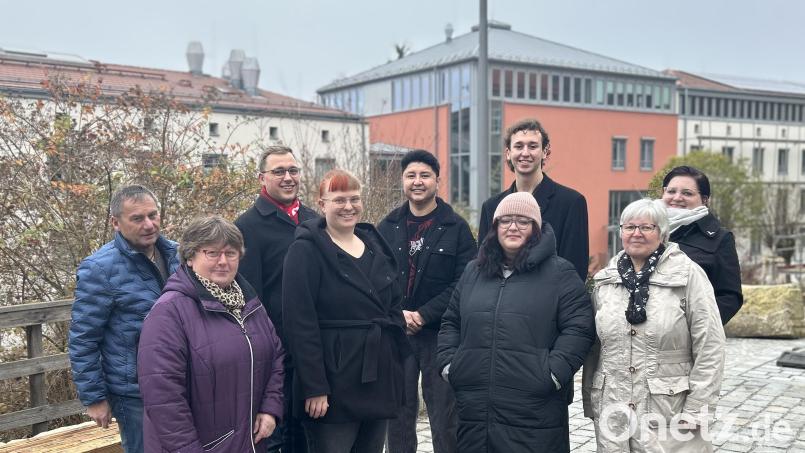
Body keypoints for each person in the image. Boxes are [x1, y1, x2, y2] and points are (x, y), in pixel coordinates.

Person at [437, 192, 594, 453]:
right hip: (475, 410)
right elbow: (451, 321)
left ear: (536, 228)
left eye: (523, 221)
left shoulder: (560, 273)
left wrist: (552, 374)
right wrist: (450, 366)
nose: (512, 227)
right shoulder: (473, 272)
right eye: (505, 220)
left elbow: (579, 328)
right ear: (494, 227)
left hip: (534, 413)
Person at [582, 199, 725, 452]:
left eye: (646, 227)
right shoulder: (606, 280)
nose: (636, 233)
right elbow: (595, 348)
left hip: (668, 408)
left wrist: (697, 410)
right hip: (613, 409)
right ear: (621, 231)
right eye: (629, 227)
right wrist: (591, 399)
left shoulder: (688, 276)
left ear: (662, 233)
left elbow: (710, 346)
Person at [283, 169, 409, 453]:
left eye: (354, 199)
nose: (349, 206)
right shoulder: (305, 251)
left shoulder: (375, 245)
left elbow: (393, 304)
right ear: (321, 203)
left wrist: (395, 364)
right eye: (339, 200)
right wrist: (314, 386)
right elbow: (299, 323)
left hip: (377, 376)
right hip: (333, 379)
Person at [138, 215, 285, 452]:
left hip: (250, 443)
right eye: (212, 253)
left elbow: (275, 356)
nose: (223, 261)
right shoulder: (169, 312)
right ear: (190, 256)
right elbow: (164, 398)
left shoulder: (248, 303)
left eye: (231, 253)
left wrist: (270, 408)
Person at [378, 150, 476, 453]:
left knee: (445, 416)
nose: (417, 182)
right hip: (398, 334)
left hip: (442, 335)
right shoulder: (387, 226)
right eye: (411, 176)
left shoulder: (456, 228)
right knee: (398, 416)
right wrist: (399, 315)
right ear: (402, 181)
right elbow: (376, 280)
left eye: (424, 175)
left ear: (437, 180)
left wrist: (422, 315)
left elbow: (464, 283)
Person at [68, 185, 179, 453]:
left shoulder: (178, 254)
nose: (149, 224)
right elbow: (84, 339)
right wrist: (94, 398)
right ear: (116, 223)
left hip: (178, 380)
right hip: (134, 392)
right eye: (138, 218)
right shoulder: (99, 268)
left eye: (153, 215)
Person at [236, 145, 317, 452]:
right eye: (278, 171)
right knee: (271, 437)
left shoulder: (314, 221)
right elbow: (247, 294)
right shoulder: (247, 226)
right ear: (262, 178)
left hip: (311, 351)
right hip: (273, 353)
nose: (287, 177)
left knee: (306, 435)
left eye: (293, 171)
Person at [478, 118, 589, 281]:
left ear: (545, 152)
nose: (525, 153)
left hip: (550, 302)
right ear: (508, 153)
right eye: (518, 146)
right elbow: (484, 264)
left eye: (532, 146)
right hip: (502, 302)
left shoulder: (571, 203)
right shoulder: (491, 207)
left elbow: (575, 270)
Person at [661, 166, 743, 324]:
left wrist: (694, 326)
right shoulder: (646, 229)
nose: (677, 198)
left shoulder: (720, 238)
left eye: (687, 193)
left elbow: (729, 297)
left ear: (704, 199)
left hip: (687, 338)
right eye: (671, 191)